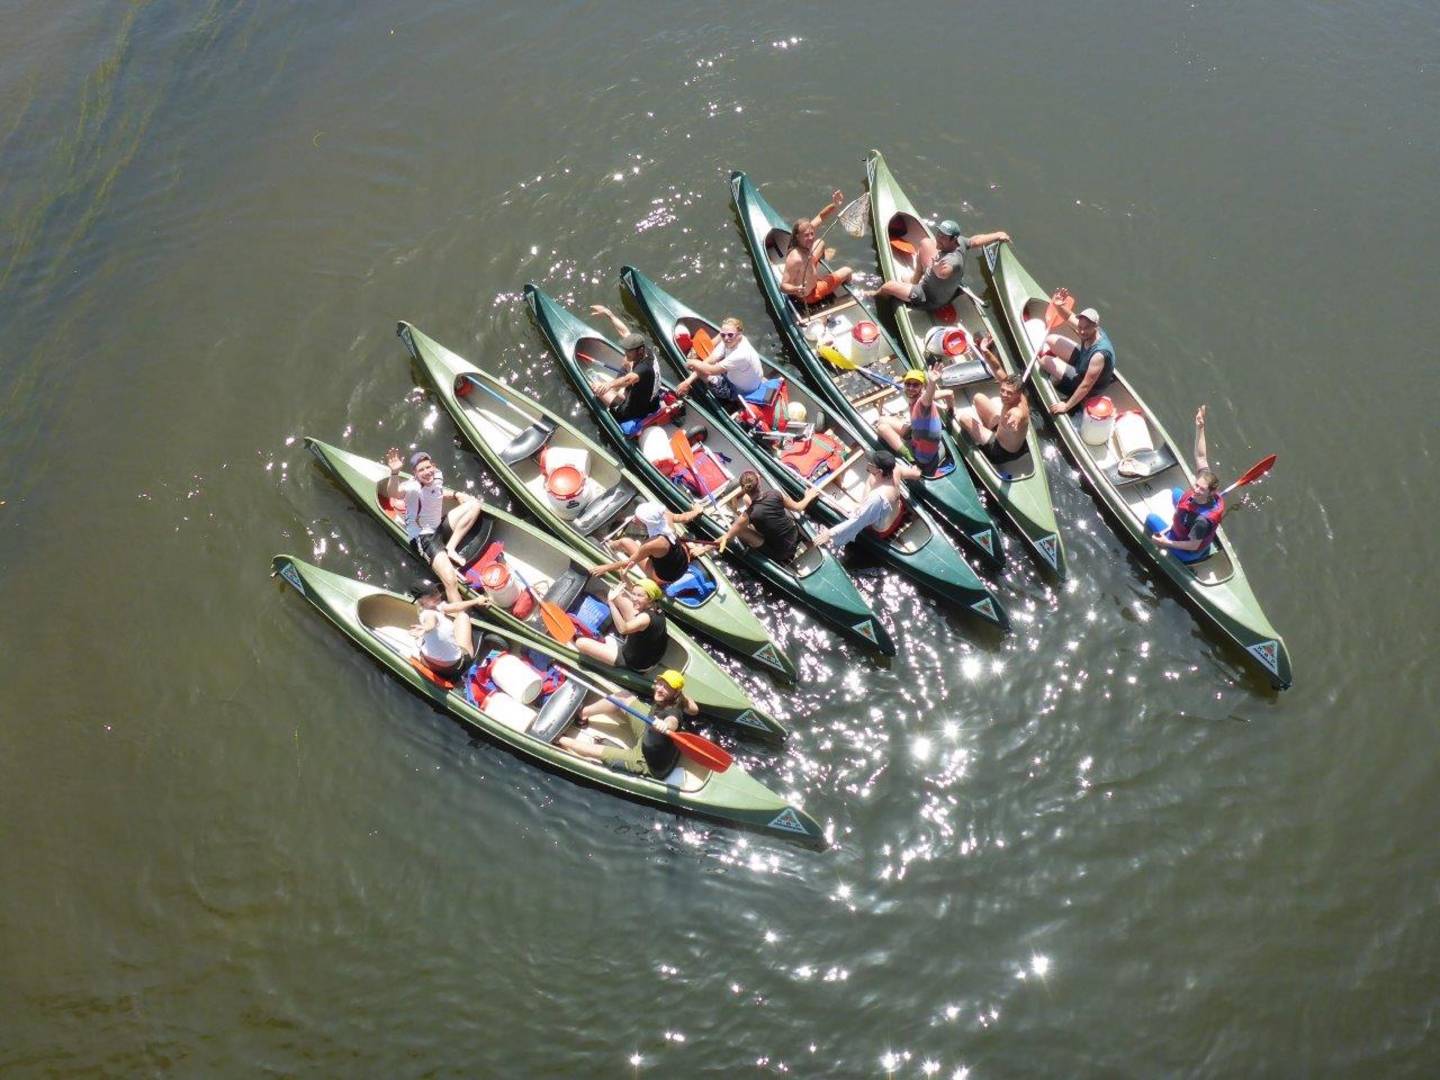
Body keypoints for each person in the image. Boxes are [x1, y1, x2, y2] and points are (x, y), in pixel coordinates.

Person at [558, 670, 700, 779]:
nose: (660, 689)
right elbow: (695, 710)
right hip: (649, 731)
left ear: (675, 693)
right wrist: (680, 694)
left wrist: (665, 725)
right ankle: (583, 714)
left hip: (646, 761)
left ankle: (560, 739)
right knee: (624, 697)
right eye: (660, 683)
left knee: (595, 751)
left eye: (666, 687)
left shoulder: (674, 712)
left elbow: (672, 721)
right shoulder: (678, 700)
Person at [383, 448, 483, 603]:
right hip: (425, 538)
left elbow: (439, 491)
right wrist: (395, 473)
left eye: (428, 467)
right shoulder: (412, 487)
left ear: (434, 466)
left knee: (474, 504)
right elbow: (393, 493)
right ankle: (459, 614)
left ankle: (450, 548)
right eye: (421, 470)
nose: (426, 472)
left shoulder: (436, 477)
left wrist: (456, 494)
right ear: (415, 474)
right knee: (451, 581)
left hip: (439, 526)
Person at [870, 219, 1010, 312]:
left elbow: (945, 272)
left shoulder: (952, 261)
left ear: (953, 239)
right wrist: (998, 234)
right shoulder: (960, 242)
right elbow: (975, 240)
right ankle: (914, 279)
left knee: (888, 287)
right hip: (939, 283)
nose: (938, 238)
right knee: (925, 243)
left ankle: (873, 295)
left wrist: (936, 270)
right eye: (939, 234)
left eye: (943, 237)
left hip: (928, 297)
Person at [1145, 406, 1225, 562]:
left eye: (1201, 489)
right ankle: (1181, 522)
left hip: (1188, 551)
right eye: (1196, 485)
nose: (1196, 490)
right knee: (1176, 492)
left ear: (1211, 492)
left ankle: (1161, 550)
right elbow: (1201, 456)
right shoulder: (1205, 481)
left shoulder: (1201, 521)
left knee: (1151, 518)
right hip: (1192, 523)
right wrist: (1200, 428)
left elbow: (1193, 546)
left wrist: (1166, 542)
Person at [812, 450, 920, 550]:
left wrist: (830, 534)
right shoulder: (894, 468)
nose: (868, 463)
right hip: (896, 509)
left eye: (871, 463)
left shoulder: (878, 497)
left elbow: (857, 522)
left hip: (883, 529)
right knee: (870, 484)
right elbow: (916, 474)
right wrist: (916, 469)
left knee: (846, 512)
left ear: (879, 470)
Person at [953, 332, 1031, 465]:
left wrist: (1013, 423)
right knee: (978, 398)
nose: (1004, 395)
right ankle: (987, 431)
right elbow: (997, 368)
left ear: (1019, 394)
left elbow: (1017, 416)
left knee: (964, 419)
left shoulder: (1017, 411)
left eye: (1009, 393)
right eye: (1002, 390)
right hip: (1002, 432)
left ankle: (983, 442)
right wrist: (984, 350)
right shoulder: (1013, 387)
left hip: (1002, 451)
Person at [1035, 288, 1116, 415]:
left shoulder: (1099, 355)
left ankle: (1072, 394)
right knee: (1051, 339)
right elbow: (1068, 316)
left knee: (1045, 361)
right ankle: (1063, 370)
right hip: (1083, 362)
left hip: (1089, 385)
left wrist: (1066, 406)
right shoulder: (1085, 328)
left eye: (1086, 328)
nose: (1082, 331)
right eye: (1080, 327)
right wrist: (1058, 305)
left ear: (1095, 326)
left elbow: (1086, 385)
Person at [588, 500, 707, 586]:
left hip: (665, 577)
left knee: (626, 542)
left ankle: (608, 544)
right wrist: (696, 511)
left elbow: (629, 563)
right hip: (682, 563)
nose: (633, 519)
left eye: (637, 519)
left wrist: (605, 568)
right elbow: (684, 517)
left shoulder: (652, 544)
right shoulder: (665, 516)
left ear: (648, 523)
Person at [714, 470, 821, 564]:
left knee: (740, 530)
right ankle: (804, 544)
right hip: (794, 535)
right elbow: (798, 507)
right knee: (749, 506)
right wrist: (809, 496)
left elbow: (727, 537)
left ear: (743, 489)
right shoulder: (775, 494)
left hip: (781, 553)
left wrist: (707, 547)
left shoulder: (747, 515)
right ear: (759, 483)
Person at [574, 578, 670, 673]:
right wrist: (625, 577)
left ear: (650, 598)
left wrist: (611, 603)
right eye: (634, 594)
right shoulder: (656, 605)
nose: (634, 598)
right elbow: (637, 590)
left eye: (639, 596)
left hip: (635, 660)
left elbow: (623, 629)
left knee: (580, 643)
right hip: (650, 649)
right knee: (618, 596)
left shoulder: (645, 618)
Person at [780, 189, 855, 305]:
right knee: (848, 271)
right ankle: (851, 292)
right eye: (806, 235)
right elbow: (783, 286)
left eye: (812, 233)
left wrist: (835, 205)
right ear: (797, 236)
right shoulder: (795, 259)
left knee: (820, 242)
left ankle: (822, 262)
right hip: (811, 294)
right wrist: (796, 289)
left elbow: (821, 216)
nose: (810, 238)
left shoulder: (804, 236)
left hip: (808, 262)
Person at [874, 364, 953, 474]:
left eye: (915, 385)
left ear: (923, 387)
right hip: (919, 436)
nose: (911, 388)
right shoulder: (922, 396)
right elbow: (950, 393)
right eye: (908, 384)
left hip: (922, 457)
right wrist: (950, 410)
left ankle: (910, 458)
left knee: (881, 428)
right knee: (883, 419)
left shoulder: (922, 403)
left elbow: (928, 396)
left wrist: (932, 382)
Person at [588, 304, 661, 422]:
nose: (626, 353)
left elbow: (628, 379)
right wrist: (609, 314)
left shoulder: (644, 368)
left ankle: (618, 406)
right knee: (626, 361)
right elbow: (624, 332)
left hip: (638, 410)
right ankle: (621, 392)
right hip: (650, 398)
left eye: (629, 351)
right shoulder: (645, 351)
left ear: (640, 350)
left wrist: (608, 385)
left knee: (595, 388)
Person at [676, 317, 765, 404]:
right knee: (702, 365)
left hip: (736, 390)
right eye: (722, 335)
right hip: (745, 380)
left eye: (730, 335)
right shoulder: (731, 341)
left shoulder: (741, 354)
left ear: (739, 334)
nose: (726, 338)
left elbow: (710, 371)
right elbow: (711, 359)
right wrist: (688, 381)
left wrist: (692, 362)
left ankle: (732, 398)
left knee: (702, 371)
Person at [409, 588, 491, 678]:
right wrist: (426, 628)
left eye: (436, 591)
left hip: (428, 662)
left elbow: (456, 606)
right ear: (421, 600)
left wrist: (476, 601)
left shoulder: (436, 606)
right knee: (463, 616)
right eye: (432, 595)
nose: (438, 595)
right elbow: (431, 623)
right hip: (454, 667)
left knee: (455, 618)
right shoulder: (428, 614)